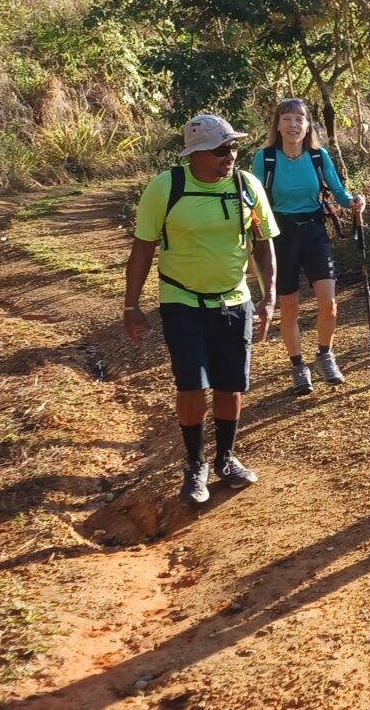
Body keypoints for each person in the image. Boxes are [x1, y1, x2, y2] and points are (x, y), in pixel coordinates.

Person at [124, 113, 278, 504]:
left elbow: (263, 244)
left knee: (230, 384)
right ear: (194, 155)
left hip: (233, 298)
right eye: (220, 149)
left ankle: (226, 457)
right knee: (192, 383)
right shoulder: (166, 188)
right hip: (182, 299)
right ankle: (195, 464)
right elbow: (143, 248)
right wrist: (131, 304)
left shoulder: (247, 186)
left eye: (233, 146)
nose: (230, 155)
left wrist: (269, 295)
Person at [248, 98, 366, 394]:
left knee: (329, 302)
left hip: (314, 231)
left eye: (299, 120)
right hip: (280, 234)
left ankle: (325, 355)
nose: (293, 125)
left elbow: (337, 191)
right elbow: (255, 200)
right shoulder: (265, 158)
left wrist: (353, 202)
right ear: (277, 124)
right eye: (287, 119)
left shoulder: (317, 156)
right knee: (290, 306)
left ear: (307, 125)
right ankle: (298, 366)